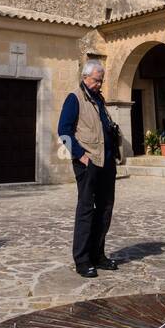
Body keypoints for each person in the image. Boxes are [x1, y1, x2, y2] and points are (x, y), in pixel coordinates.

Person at [58, 60, 119, 278]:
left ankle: (98, 255)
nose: (99, 84)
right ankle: (82, 260)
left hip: (107, 163)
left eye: (101, 80)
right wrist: (80, 156)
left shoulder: (99, 99)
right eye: (96, 80)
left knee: (105, 210)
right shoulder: (74, 98)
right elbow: (63, 131)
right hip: (88, 163)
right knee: (86, 210)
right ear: (85, 77)